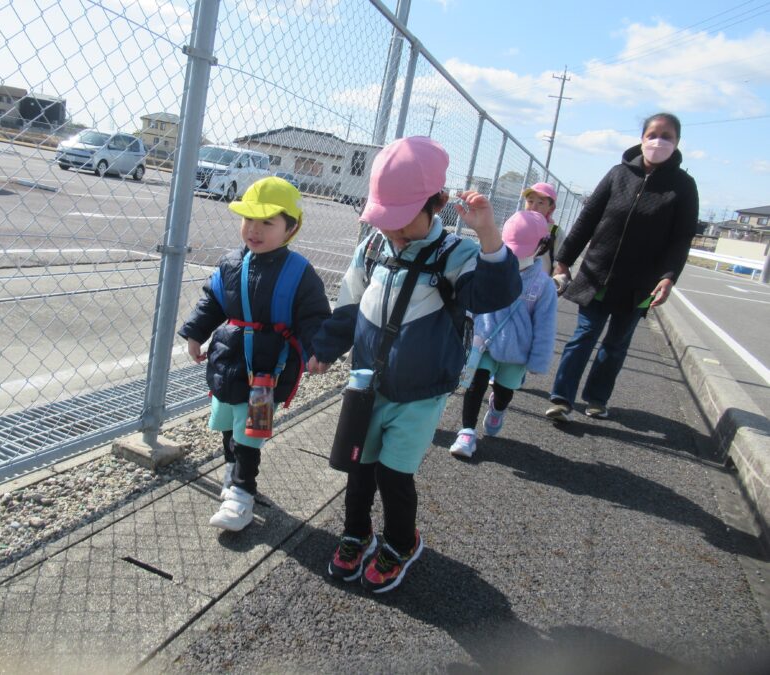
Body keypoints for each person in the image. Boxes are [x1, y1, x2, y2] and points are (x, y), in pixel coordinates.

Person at [307, 136, 520, 593]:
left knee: (393, 474)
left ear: (438, 203)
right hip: (366, 386)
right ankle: (356, 532)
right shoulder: (373, 247)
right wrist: (325, 349)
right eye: (386, 221)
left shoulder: (456, 255)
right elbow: (349, 305)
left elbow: (494, 295)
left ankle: (401, 542)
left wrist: (489, 235)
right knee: (359, 465)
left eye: (403, 221)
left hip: (420, 394)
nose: (395, 233)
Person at [179, 177, 331, 531]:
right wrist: (195, 332)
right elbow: (213, 300)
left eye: (267, 222)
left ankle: (242, 496)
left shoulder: (299, 272)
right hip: (228, 361)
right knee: (228, 424)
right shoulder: (231, 262)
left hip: (269, 370)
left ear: (291, 228)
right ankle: (233, 472)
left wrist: (318, 350)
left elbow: (314, 317)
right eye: (248, 219)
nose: (254, 229)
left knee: (251, 434)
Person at [545, 112, 699, 422]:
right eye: (653, 134)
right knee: (583, 336)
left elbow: (681, 238)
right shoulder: (618, 174)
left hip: (640, 284)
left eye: (667, 136)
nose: (658, 141)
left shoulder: (683, 186)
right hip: (598, 275)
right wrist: (563, 260)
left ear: (677, 142)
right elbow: (587, 218)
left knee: (616, 344)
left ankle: (597, 399)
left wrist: (668, 277)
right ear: (642, 139)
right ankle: (561, 398)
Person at [450, 210, 558, 458]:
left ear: (542, 246)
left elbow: (545, 326)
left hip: (516, 352)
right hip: (484, 342)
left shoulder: (543, 285)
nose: (516, 255)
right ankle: (467, 431)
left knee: (504, 391)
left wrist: (538, 360)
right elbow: (474, 302)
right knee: (475, 384)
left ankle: (497, 409)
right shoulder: (491, 268)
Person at [521, 181, 562, 276]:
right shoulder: (517, 224)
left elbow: (561, 263)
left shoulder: (555, 232)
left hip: (540, 283)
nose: (533, 207)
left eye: (540, 203)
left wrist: (553, 282)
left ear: (551, 208)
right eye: (530, 201)